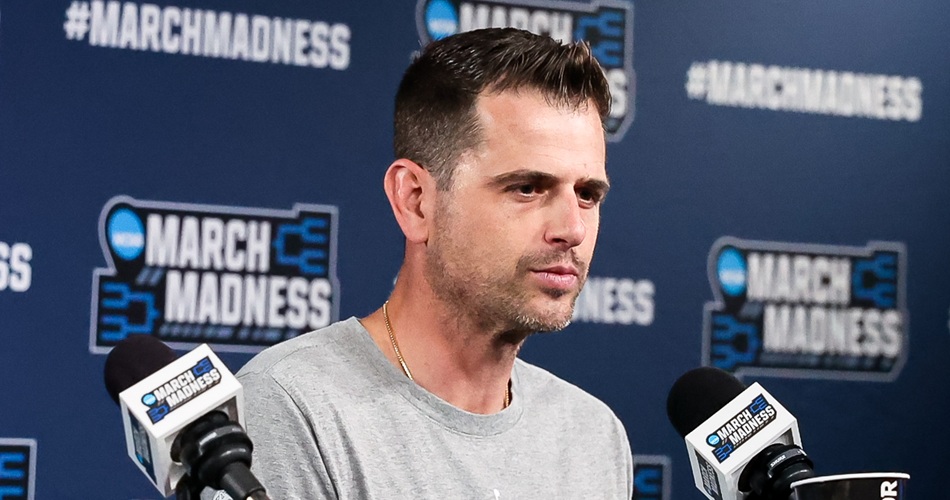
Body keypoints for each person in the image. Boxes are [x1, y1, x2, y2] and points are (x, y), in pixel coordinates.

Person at [225, 27, 633, 498]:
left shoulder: (593, 437)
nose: (572, 229)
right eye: (527, 188)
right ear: (415, 201)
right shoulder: (294, 407)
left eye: (587, 194)